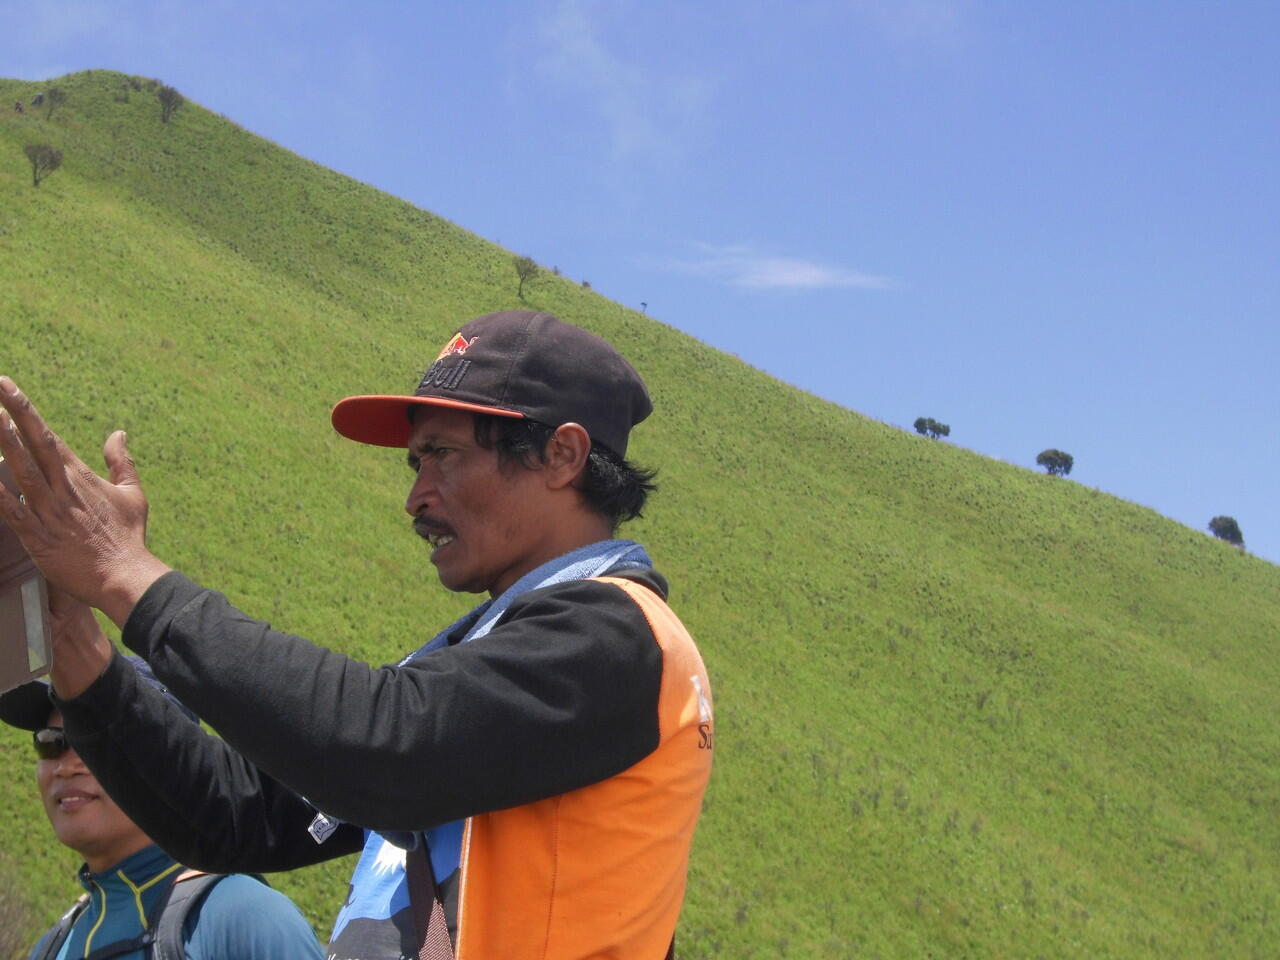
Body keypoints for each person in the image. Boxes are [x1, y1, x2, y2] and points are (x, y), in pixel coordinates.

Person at [0, 310, 714, 960]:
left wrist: (129, 576)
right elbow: (231, 816)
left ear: (562, 456)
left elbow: (381, 740)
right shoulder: (483, 660)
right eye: (415, 462)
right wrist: (76, 651)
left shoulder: (620, 637)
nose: (416, 496)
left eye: (444, 455)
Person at [0, 653, 325, 959]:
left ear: (171, 762)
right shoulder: (53, 947)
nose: (66, 766)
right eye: (50, 742)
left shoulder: (241, 919)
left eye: (91, 744)